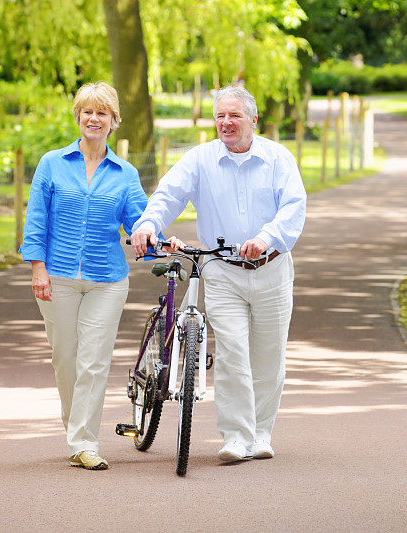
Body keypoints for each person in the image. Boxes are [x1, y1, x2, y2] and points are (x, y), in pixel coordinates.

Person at [130, 85, 306, 462]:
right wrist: (148, 224)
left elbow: (293, 207)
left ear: (253, 120)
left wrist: (265, 238)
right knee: (232, 350)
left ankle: (261, 434)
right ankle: (236, 437)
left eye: (235, 115)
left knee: (269, 354)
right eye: (221, 116)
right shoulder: (200, 159)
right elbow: (168, 196)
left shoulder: (278, 158)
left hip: (271, 268)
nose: (226, 122)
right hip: (222, 270)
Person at [20, 82, 149, 470]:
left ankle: (84, 443)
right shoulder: (52, 163)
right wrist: (37, 268)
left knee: (94, 361)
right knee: (66, 359)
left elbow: (140, 223)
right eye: (87, 112)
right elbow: (36, 218)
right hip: (56, 276)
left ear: (114, 121)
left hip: (107, 279)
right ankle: (76, 430)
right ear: (78, 117)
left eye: (102, 113)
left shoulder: (125, 173)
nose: (94, 119)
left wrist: (155, 237)